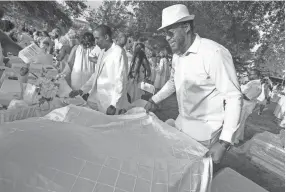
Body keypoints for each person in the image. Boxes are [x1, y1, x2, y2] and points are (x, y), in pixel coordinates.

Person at [144, 4, 242, 163]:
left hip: (204, 133)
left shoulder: (213, 53)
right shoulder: (177, 56)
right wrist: (154, 99)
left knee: (193, 179)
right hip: (182, 123)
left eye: (170, 32)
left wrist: (224, 142)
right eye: (165, 34)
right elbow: (173, 82)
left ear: (186, 27)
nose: (167, 38)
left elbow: (233, 96)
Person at [69, 25, 129, 115]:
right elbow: (96, 75)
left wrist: (114, 104)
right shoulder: (102, 52)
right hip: (98, 98)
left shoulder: (118, 52)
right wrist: (81, 90)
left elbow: (121, 80)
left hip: (110, 102)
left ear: (106, 37)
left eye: (97, 38)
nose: (96, 42)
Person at [234, 70, 262, 144]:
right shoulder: (254, 83)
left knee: (238, 122)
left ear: (256, 74)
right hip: (246, 104)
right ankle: (238, 137)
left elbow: (247, 97)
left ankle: (235, 139)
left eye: (250, 74)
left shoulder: (255, 84)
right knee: (241, 122)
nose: (249, 75)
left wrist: (236, 90)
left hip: (245, 104)